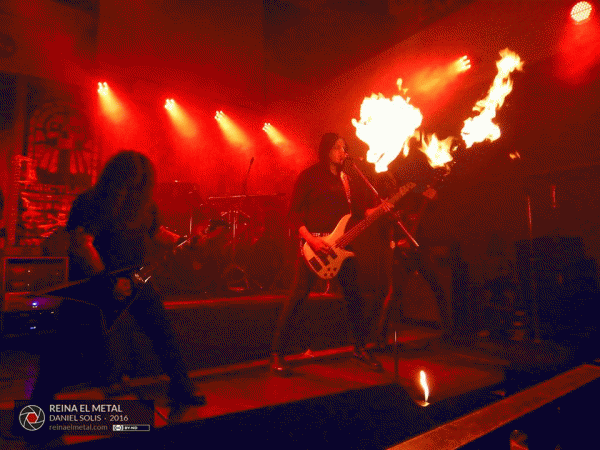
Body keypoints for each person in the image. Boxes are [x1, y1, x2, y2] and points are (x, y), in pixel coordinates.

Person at [31, 150, 204, 417]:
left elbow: (156, 231)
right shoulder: (90, 202)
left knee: (163, 332)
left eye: (139, 182)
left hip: (133, 278)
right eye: (129, 181)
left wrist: (183, 241)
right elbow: (82, 243)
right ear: (117, 178)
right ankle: (38, 410)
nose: (133, 187)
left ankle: (182, 386)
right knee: (66, 343)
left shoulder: (144, 205)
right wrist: (107, 281)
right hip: (92, 282)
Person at [270, 133, 385, 376]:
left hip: (341, 248)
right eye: (337, 147)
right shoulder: (309, 176)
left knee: (355, 298)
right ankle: (277, 352)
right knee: (297, 297)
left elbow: (358, 213)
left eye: (344, 147)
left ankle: (360, 348)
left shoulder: (347, 180)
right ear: (326, 151)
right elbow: (294, 213)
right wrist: (311, 240)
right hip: (314, 246)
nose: (343, 152)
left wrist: (380, 209)